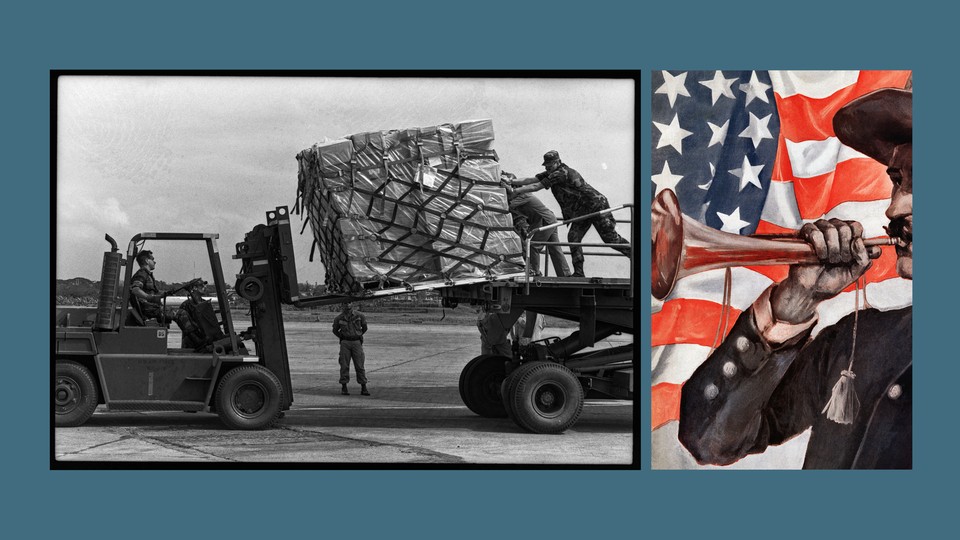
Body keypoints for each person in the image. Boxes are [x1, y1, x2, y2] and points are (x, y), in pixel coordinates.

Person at [678, 87, 912, 469]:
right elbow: (709, 440)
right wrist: (789, 311)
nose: (894, 207)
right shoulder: (856, 340)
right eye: (898, 180)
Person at [506, 151, 630, 277]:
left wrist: (515, 191)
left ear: (557, 162)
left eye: (549, 165)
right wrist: (511, 181)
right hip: (581, 210)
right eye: (546, 166)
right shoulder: (552, 172)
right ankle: (579, 273)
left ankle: (635, 254)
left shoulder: (561, 173)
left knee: (610, 238)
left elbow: (536, 186)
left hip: (596, 206)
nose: (547, 168)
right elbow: (531, 179)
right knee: (573, 237)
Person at [502, 171, 571, 277]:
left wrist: (503, 188)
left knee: (533, 246)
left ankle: (535, 272)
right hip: (549, 220)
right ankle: (565, 274)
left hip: (546, 221)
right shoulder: (522, 195)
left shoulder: (523, 195)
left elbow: (506, 205)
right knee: (554, 248)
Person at [129, 250, 177, 325]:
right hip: (148, 309)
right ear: (147, 261)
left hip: (151, 307)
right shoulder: (142, 274)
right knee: (180, 314)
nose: (155, 262)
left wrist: (167, 293)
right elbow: (135, 290)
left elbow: (156, 293)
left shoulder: (148, 275)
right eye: (153, 259)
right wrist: (149, 297)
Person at [332, 302, 370, 396]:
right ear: (342, 305)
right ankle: (344, 387)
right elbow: (335, 330)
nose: (347, 305)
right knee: (344, 365)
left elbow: (364, 328)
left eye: (349, 303)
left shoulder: (360, 316)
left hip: (356, 342)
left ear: (352, 304)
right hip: (345, 342)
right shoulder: (339, 318)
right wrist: (343, 337)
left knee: (360, 365)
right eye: (345, 304)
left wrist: (358, 335)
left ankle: (363, 387)